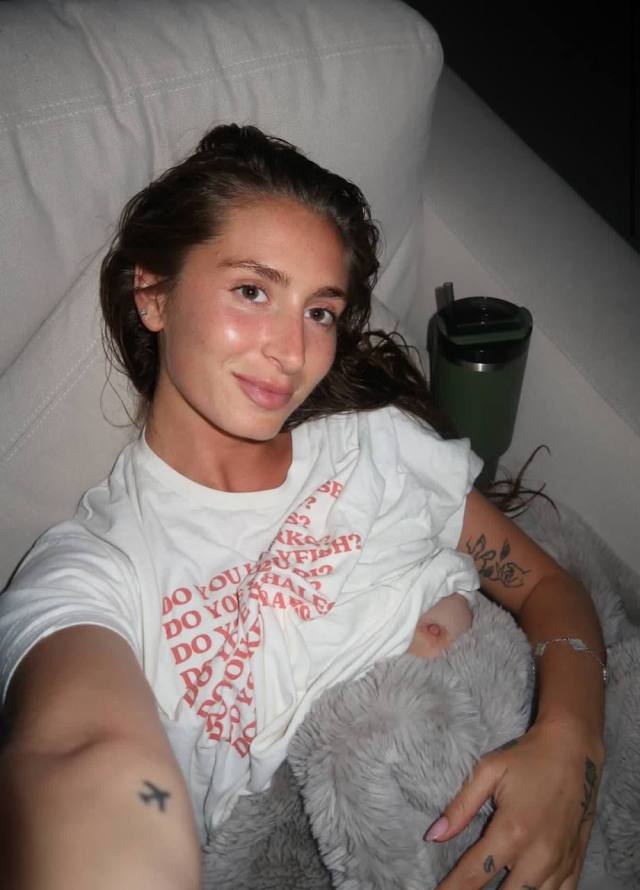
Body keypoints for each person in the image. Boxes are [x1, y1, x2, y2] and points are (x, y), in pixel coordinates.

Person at [0, 124, 605, 890]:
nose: (292, 351)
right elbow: (85, 759)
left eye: (320, 311)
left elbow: (548, 585)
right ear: (153, 294)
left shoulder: (377, 447)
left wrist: (571, 743)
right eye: (253, 291)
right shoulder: (94, 568)